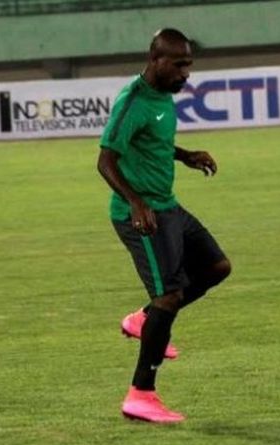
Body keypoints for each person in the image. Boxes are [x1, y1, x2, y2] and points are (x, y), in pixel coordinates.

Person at [97, 28, 231, 423]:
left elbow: (152, 141)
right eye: (179, 65)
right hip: (141, 215)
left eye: (189, 64)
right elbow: (105, 160)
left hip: (168, 207)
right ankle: (141, 394)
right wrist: (135, 202)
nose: (186, 73)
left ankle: (142, 319)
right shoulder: (132, 101)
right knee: (169, 297)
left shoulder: (161, 98)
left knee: (216, 268)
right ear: (156, 60)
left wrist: (184, 155)